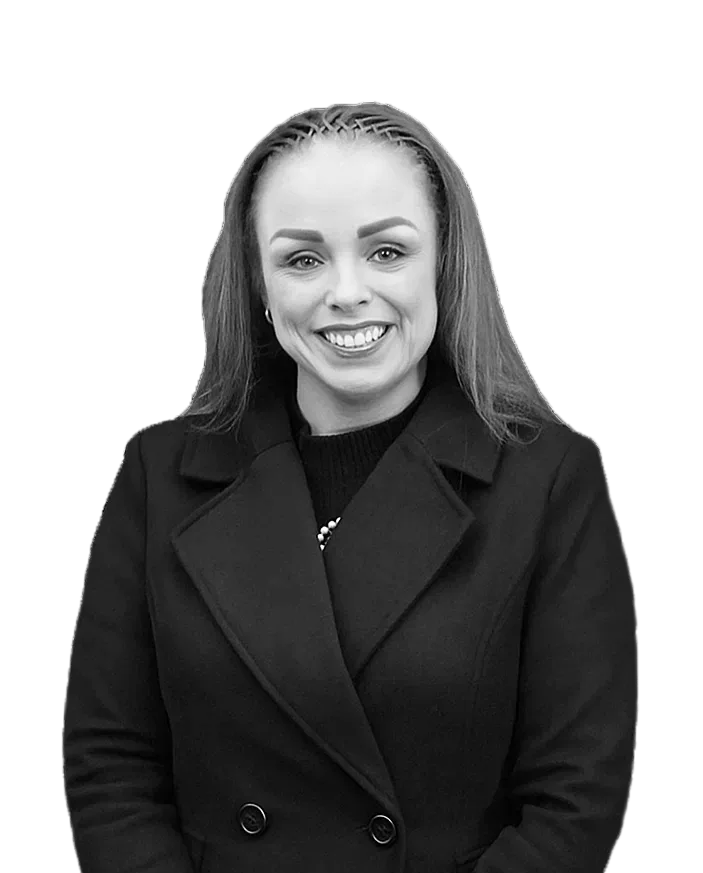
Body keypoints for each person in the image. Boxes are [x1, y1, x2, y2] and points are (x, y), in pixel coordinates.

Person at [63, 102, 638, 873]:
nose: (345, 292)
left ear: (443, 263)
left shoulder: (551, 483)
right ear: (259, 284)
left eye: (386, 251)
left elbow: (576, 801)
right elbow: (109, 768)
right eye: (302, 259)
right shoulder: (157, 473)